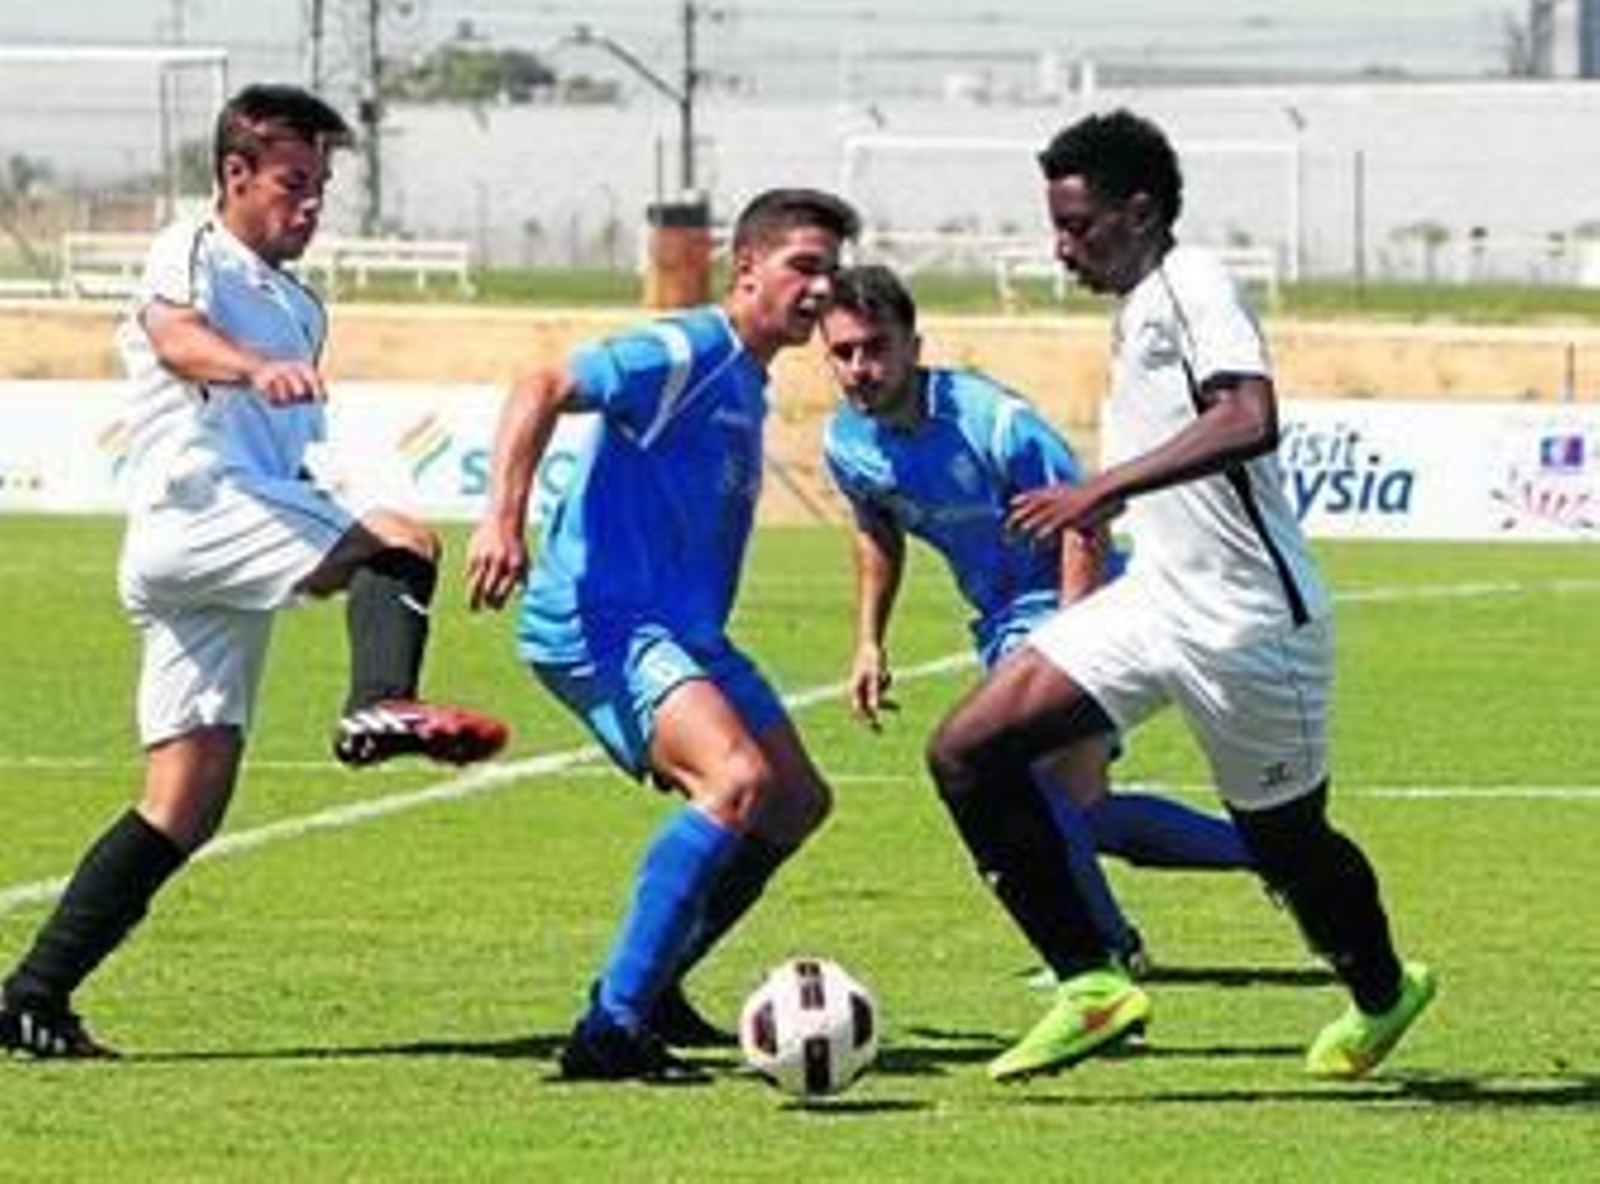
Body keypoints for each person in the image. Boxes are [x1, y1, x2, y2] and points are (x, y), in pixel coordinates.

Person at [923, 109, 1435, 1082]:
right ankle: (1091, 981)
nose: (1061, 247)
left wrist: (1101, 490)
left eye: (1077, 225)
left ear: (1141, 210)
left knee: (1287, 846)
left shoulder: (1194, 282)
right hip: (1155, 601)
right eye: (1057, 225)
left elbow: (1248, 415)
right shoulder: (1139, 306)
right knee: (967, 750)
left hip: (1247, 625)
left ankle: (1381, 989)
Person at [0, 84, 507, 1060]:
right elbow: (174, 335)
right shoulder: (192, 248)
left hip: (216, 542)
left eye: (320, 187)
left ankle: (31, 996)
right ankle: (379, 705)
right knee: (404, 538)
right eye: (291, 183)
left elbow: (286, 450)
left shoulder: (302, 307)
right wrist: (248, 366)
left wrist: (320, 534)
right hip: (199, 508)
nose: (309, 206)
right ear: (235, 174)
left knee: (184, 802)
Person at [466, 188, 861, 1082]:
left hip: (683, 630)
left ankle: (656, 980)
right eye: (803, 266)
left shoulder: (747, 379)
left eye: (830, 272)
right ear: (746, 267)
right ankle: (609, 1029)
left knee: (796, 799)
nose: (820, 288)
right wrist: (502, 519)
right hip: (604, 619)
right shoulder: (688, 350)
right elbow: (541, 384)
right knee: (736, 780)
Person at [819, 262, 1252, 974]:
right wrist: (869, 641)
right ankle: (1275, 853)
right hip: (1005, 623)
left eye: (876, 347)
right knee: (1082, 812)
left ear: (913, 346)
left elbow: (1087, 519)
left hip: (1077, 605)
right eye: (843, 352)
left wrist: (1072, 645)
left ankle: (1107, 954)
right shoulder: (847, 443)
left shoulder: (991, 420)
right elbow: (877, 531)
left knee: (1014, 779)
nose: (861, 368)